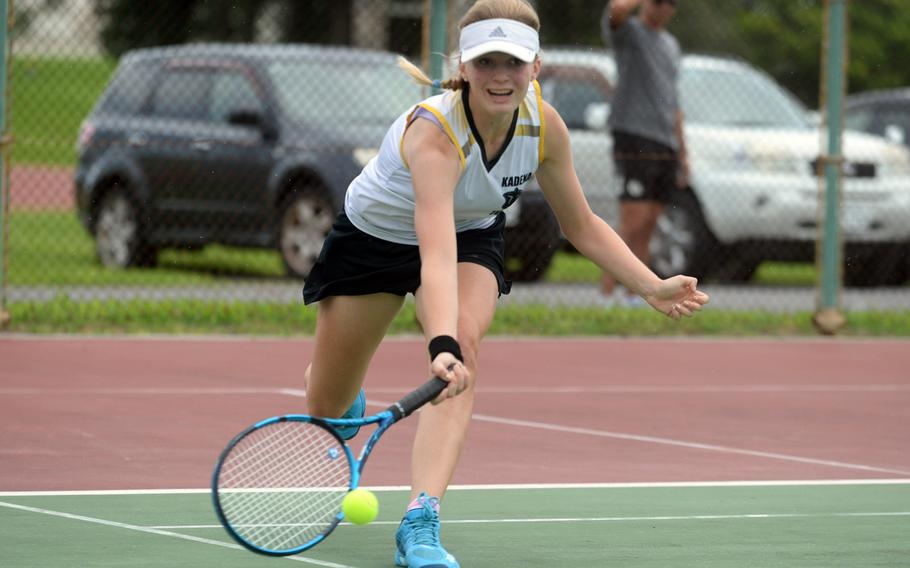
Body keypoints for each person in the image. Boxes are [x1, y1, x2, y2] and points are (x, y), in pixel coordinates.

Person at [302, 1, 708, 566]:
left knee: (462, 353)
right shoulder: (436, 136)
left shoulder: (544, 126)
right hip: (374, 240)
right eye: (487, 61)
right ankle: (343, 404)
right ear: (463, 67)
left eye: (513, 62)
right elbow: (433, 256)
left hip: (470, 235)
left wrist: (651, 286)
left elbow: (582, 225)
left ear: (535, 67)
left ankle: (420, 522)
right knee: (327, 402)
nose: (500, 75)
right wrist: (436, 341)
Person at [600, 0, 689, 305]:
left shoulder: (671, 45)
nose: (661, 7)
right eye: (657, 1)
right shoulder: (630, 33)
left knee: (650, 222)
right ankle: (607, 295)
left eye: (669, 3)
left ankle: (633, 294)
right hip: (633, 137)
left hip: (664, 143)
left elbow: (673, 101)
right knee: (633, 220)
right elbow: (617, 11)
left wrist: (683, 151)